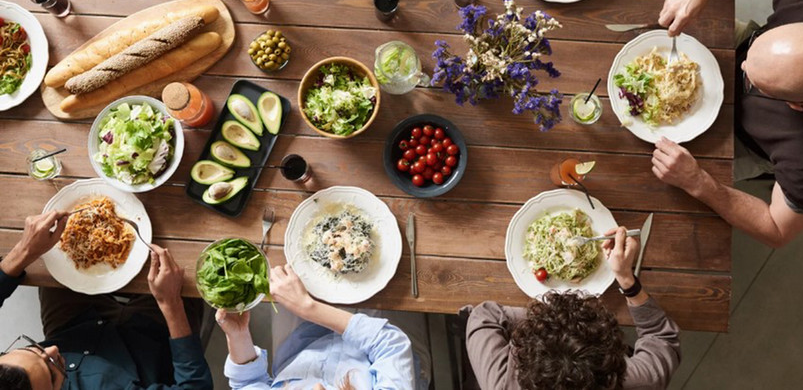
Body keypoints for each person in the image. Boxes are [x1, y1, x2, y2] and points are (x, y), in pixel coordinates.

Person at [651, 0, 803, 248]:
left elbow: (777, 230)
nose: (741, 66)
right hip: (751, 45)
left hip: (747, 142)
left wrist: (698, 182)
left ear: (794, 105)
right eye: (749, 61)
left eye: (750, 78)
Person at [0, 211, 213, 389]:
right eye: (52, 373)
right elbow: (195, 386)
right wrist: (172, 304)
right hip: (150, 341)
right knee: (190, 262)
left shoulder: (52, 349)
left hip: (74, 325)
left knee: (56, 254)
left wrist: (24, 250)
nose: (53, 350)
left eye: (32, 348)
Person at [464, 227, 680, 389]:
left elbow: (483, 316)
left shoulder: (500, 383)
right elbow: (662, 339)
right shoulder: (640, 380)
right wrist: (627, 280)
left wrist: (542, 322)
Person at [217, 263, 425, 389]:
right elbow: (391, 344)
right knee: (400, 278)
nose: (317, 387)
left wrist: (238, 336)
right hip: (380, 349)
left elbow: (246, 384)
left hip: (302, 344)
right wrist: (307, 307)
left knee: (284, 269)